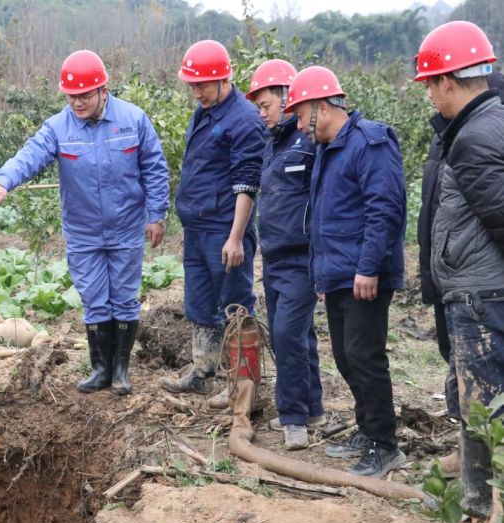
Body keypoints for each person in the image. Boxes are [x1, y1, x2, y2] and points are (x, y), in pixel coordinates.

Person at [0, 50, 170, 396]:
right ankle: (100, 369)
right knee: (95, 298)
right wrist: (4, 180)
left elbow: (154, 168)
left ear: (102, 90)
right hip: (83, 231)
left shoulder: (133, 120)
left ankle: (121, 371)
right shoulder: (58, 127)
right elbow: (31, 154)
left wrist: (157, 215)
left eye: (84, 95)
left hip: (126, 226)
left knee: (124, 298)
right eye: (71, 96)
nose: (77, 102)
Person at [285, 66, 407, 477]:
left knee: (364, 356)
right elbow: (325, 217)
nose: (300, 128)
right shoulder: (327, 149)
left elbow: (383, 210)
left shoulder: (369, 143)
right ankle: (365, 430)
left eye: (302, 117)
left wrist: (369, 268)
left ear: (322, 107)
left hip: (364, 276)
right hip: (337, 275)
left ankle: (385, 444)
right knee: (343, 356)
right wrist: (322, 276)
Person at [414, 21, 504, 522]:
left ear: (449, 80)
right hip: (482, 285)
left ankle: (477, 507)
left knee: (480, 404)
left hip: (480, 291)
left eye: (430, 83)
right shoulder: (493, 121)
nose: (429, 94)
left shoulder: (472, 137)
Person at [160, 40, 265, 397]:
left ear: (223, 79)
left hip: (224, 228)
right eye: (191, 85)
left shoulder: (244, 120)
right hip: (197, 227)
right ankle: (203, 372)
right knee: (200, 303)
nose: (195, 92)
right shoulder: (204, 111)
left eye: (201, 85)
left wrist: (236, 237)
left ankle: (243, 385)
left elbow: (247, 184)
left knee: (236, 305)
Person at [246, 60, 323, 450]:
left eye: (265, 105)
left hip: (301, 257)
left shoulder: (310, 141)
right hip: (274, 256)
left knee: (287, 334)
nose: (261, 114)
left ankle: (293, 419)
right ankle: (312, 407)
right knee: (297, 334)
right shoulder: (272, 144)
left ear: (288, 98)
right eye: (258, 107)